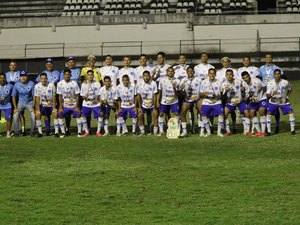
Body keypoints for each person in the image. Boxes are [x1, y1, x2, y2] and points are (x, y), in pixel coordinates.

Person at [259, 53, 284, 134]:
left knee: (276, 108)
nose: (268, 59)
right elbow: (259, 78)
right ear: (265, 59)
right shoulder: (261, 68)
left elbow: (283, 77)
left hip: (275, 90)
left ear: (272, 58)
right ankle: (266, 127)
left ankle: (277, 126)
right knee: (265, 108)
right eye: (267, 57)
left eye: (270, 57)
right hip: (265, 91)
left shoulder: (276, 67)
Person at [266, 69, 295, 135]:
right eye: (275, 74)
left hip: (283, 101)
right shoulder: (270, 83)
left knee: (291, 112)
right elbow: (267, 96)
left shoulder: (285, 82)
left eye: (278, 74)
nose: (277, 75)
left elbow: (290, 89)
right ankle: (269, 132)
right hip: (273, 101)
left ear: (280, 75)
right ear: (273, 75)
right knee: (268, 114)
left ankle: (293, 131)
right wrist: (272, 94)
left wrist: (287, 97)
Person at [222, 69, 251, 136]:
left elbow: (247, 88)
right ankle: (228, 131)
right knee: (224, 114)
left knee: (247, 113)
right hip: (230, 102)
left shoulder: (239, 81)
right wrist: (225, 91)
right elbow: (222, 95)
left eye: (230, 74)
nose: (229, 76)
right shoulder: (224, 84)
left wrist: (244, 90)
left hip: (240, 101)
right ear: (225, 75)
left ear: (233, 75)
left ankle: (247, 131)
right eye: (227, 75)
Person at [241, 71, 267, 137]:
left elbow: (265, 87)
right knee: (251, 114)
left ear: (249, 76)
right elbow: (248, 93)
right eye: (244, 78)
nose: (246, 79)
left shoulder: (257, 81)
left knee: (261, 112)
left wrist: (263, 95)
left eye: (246, 77)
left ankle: (263, 132)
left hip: (262, 98)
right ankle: (259, 132)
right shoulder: (244, 84)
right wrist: (248, 97)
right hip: (253, 100)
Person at [200, 68, 224, 137]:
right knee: (203, 115)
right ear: (208, 74)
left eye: (213, 73)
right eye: (210, 73)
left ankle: (219, 132)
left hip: (216, 101)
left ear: (215, 74)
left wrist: (218, 95)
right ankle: (208, 132)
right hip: (206, 101)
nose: (212, 75)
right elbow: (200, 94)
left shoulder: (219, 82)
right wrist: (204, 94)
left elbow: (221, 94)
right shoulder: (204, 82)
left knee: (221, 114)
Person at [57, 69, 81, 138]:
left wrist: (77, 107)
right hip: (65, 105)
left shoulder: (74, 83)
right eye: (65, 74)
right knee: (60, 114)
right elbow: (60, 96)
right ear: (63, 75)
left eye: (68, 74)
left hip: (73, 104)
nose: (67, 76)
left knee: (78, 114)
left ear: (70, 75)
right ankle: (63, 132)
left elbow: (77, 95)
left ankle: (79, 132)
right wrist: (61, 107)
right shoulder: (60, 83)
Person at [179, 67, 202, 137]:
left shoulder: (198, 79)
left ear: (194, 72)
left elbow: (202, 89)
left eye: (191, 71)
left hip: (198, 98)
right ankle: (184, 131)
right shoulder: (183, 80)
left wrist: (200, 98)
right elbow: (180, 93)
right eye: (188, 71)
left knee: (202, 111)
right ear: (186, 72)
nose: (190, 72)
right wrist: (181, 89)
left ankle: (202, 129)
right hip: (188, 99)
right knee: (182, 112)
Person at [157, 67, 180, 136]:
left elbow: (177, 94)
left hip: (174, 100)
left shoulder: (177, 81)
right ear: (167, 72)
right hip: (164, 100)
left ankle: (176, 129)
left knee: (176, 113)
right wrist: (158, 101)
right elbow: (159, 91)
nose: (170, 72)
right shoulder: (162, 80)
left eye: (172, 71)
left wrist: (174, 87)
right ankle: (161, 131)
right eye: (169, 71)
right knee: (161, 114)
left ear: (174, 73)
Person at [12, 71, 35, 136]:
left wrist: (33, 106)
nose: (23, 77)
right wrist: (15, 108)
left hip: (30, 103)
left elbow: (34, 96)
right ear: (19, 77)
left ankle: (32, 131)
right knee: (15, 115)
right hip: (20, 103)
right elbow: (13, 96)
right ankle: (16, 132)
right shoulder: (16, 84)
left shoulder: (31, 83)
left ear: (27, 77)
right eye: (21, 76)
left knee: (33, 116)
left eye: (24, 76)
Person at [34, 73, 57, 137]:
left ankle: (56, 132)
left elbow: (54, 96)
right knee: (38, 115)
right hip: (43, 104)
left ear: (47, 79)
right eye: (42, 78)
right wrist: (38, 110)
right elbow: (37, 99)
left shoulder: (51, 85)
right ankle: (40, 132)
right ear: (40, 79)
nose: (43, 80)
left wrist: (54, 107)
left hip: (51, 104)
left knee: (55, 113)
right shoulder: (37, 86)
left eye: (45, 78)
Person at [80, 70, 101, 137]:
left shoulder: (97, 84)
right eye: (88, 75)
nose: (90, 76)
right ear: (86, 76)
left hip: (95, 103)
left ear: (93, 76)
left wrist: (98, 102)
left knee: (100, 115)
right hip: (86, 103)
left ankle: (98, 132)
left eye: (91, 74)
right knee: (83, 116)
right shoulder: (84, 84)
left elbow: (100, 95)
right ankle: (86, 132)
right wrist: (85, 97)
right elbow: (82, 96)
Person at [136, 70, 158, 135]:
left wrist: (154, 108)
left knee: (155, 115)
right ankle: (142, 131)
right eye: (144, 76)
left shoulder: (153, 83)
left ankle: (155, 132)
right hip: (143, 104)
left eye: (147, 76)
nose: (146, 77)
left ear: (150, 76)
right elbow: (138, 96)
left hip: (152, 104)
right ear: (142, 77)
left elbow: (155, 96)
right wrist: (139, 107)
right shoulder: (139, 84)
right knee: (139, 115)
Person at [0, 73, 13, 138]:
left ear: (5, 78)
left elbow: (13, 95)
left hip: (7, 105)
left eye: (3, 78)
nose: (2, 79)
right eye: (0, 78)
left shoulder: (10, 86)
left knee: (9, 119)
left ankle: (8, 132)